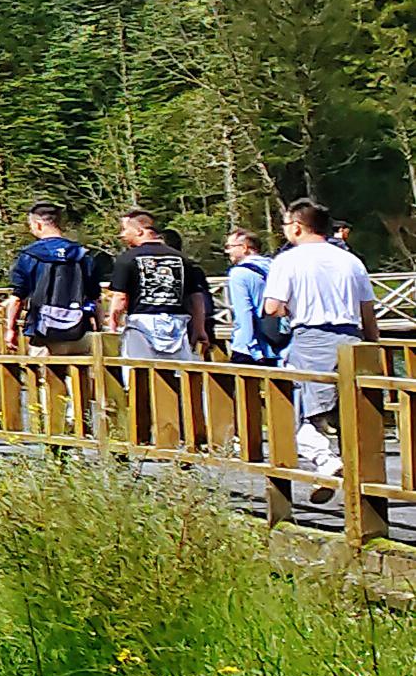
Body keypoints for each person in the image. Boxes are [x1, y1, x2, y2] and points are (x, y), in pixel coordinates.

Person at [265, 198, 383, 504]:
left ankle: (327, 465)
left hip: (312, 339)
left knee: (304, 413)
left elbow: (272, 307)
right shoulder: (350, 260)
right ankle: (364, 488)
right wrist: (372, 345)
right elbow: (367, 311)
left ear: (298, 227)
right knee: (352, 415)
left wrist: (288, 311)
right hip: (352, 339)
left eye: (286, 225)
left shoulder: (287, 261)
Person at [106, 208, 212, 362]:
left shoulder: (127, 259)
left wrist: (113, 322)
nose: (121, 235)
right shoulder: (182, 259)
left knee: (139, 375)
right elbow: (195, 297)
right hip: (177, 323)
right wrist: (199, 328)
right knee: (178, 375)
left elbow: (121, 298)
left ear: (139, 231)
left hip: (141, 324)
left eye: (124, 229)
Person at [5, 202, 104, 356]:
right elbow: (96, 298)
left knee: (45, 377)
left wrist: (11, 329)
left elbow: (17, 298)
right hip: (78, 330)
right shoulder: (82, 254)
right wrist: (99, 327)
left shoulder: (29, 255)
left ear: (38, 225)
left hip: (43, 332)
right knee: (81, 378)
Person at [221, 228, 281, 365]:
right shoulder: (275, 267)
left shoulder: (239, 273)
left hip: (251, 347)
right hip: (279, 343)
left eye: (229, 247)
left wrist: (251, 349)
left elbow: (244, 314)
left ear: (244, 248)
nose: (227, 251)